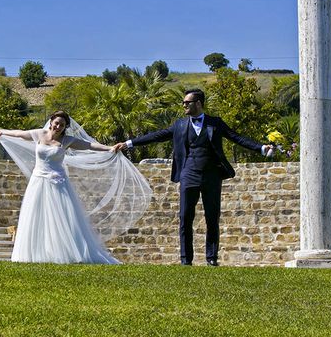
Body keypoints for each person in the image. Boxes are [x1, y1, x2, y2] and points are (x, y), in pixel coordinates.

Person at [118, 89, 275, 267]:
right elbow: (157, 136)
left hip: (212, 175)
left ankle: (212, 258)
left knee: (212, 217)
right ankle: (186, 260)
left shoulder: (215, 123)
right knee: (185, 216)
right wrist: (128, 144)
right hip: (188, 174)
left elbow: (235, 137)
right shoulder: (179, 125)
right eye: (184, 102)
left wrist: (260, 148)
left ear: (198, 103)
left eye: (187, 102)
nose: (184, 105)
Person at [0, 110, 151, 264]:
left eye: (62, 125)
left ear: (65, 127)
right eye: (56, 123)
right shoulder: (39, 134)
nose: (58, 127)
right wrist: (3, 132)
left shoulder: (67, 141)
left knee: (63, 218)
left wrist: (109, 148)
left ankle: (65, 253)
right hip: (39, 182)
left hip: (59, 182)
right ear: (51, 122)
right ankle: (35, 254)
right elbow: (19, 134)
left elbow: (89, 145)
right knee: (36, 216)